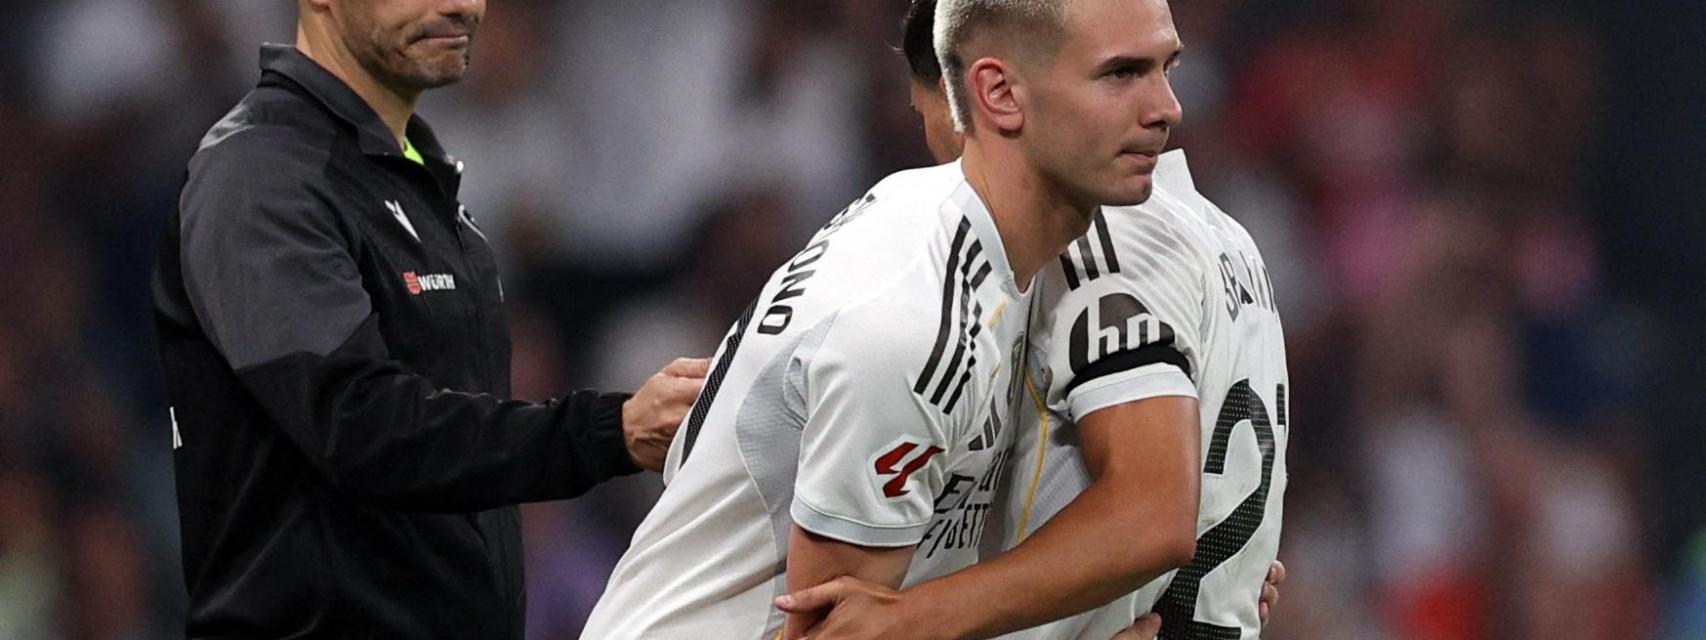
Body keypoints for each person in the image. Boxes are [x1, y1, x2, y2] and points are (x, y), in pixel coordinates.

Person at [581, 0, 1183, 638]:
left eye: (1165, 68)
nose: (1166, 107)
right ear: (1000, 94)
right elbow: (830, 635)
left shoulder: (954, 229)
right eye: (1121, 74)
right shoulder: (911, 326)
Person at [149, 1, 706, 637]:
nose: (464, 4)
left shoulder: (418, 174)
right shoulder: (260, 173)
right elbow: (360, 425)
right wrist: (609, 430)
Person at [773, 1, 1290, 639]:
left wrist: (911, 619)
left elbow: (1152, 513)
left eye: (1157, 70)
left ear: (977, 95)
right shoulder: (1225, 238)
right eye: (1125, 72)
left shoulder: (1101, 225)